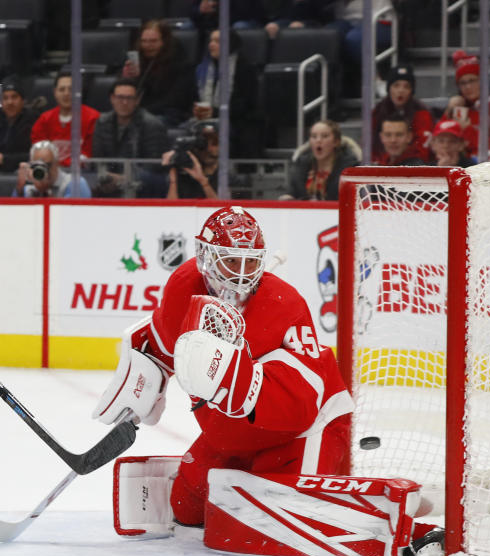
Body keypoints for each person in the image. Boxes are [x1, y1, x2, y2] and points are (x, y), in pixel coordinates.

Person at [92, 206, 355, 527]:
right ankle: (248, 475)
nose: (242, 274)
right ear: (206, 256)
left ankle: (320, 492)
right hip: (231, 435)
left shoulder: (283, 304)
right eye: (231, 260)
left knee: (273, 526)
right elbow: (161, 343)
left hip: (304, 431)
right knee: (185, 507)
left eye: (251, 262)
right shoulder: (184, 287)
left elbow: (304, 403)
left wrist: (242, 382)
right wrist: (142, 381)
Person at [90, 79, 169, 198]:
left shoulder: (152, 125)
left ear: (137, 100)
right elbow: (98, 159)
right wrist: (105, 176)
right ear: (112, 98)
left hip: (142, 187)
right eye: (120, 97)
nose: (124, 102)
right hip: (109, 185)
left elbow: (154, 167)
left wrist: (125, 178)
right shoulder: (102, 122)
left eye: (129, 98)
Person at [190, 29, 260, 158]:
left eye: (217, 41)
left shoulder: (244, 68)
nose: (211, 44)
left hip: (236, 120)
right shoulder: (202, 68)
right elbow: (191, 97)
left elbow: (247, 105)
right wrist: (196, 110)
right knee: (188, 128)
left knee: (216, 130)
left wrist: (215, 112)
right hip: (205, 118)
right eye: (211, 41)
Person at [121, 20, 195, 127]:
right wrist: (127, 79)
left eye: (153, 41)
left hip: (170, 114)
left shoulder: (181, 64)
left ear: (164, 41)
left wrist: (140, 111)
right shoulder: (139, 61)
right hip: (140, 112)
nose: (147, 45)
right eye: (144, 41)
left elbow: (175, 100)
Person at [29, 71, 99, 168]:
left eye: (71, 89)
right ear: (55, 93)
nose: (66, 93)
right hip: (50, 174)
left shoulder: (93, 118)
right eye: (62, 89)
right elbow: (38, 153)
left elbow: (89, 154)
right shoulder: (44, 119)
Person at [281, 119, 360, 201]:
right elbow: (291, 191)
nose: (318, 140)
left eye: (325, 136)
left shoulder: (349, 168)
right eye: (314, 136)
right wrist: (287, 197)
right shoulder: (301, 164)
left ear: (336, 142)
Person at [370, 65, 432, 162]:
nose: (401, 90)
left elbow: (422, 151)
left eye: (406, 86)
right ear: (389, 88)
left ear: (411, 91)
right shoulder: (377, 112)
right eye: (396, 85)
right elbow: (370, 146)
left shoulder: (422, 113)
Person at [161, 120, 220, 199]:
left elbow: (225, 209)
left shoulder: (225, 174)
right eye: (202, 144)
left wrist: (203, 182)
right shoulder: (184, 170)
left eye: (214, 144)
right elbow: (171, 210)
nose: (208, 149)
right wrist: (173, 179)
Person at [14, 139, 91, 197]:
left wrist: (44, 192)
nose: (42, 170)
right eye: (36, 165)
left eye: (47, 165)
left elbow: (71, 214)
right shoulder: (27, 187)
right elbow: (14, 214)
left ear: (57, 164)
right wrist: (20, 190)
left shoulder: (75, 183)